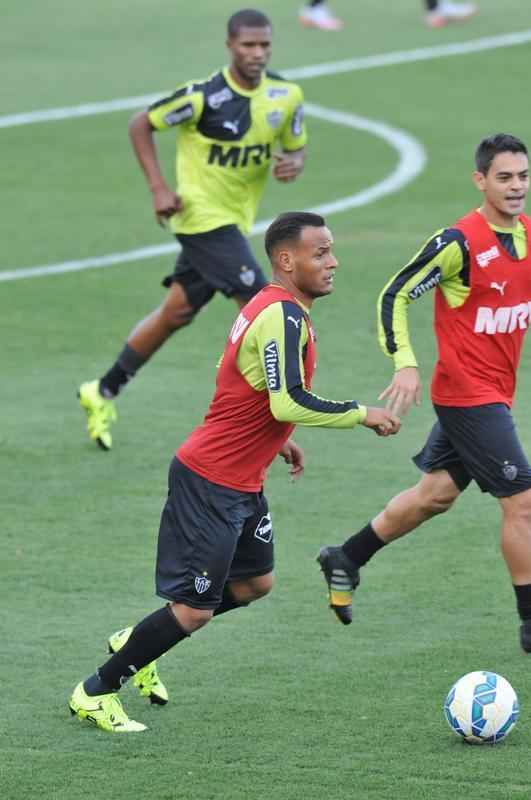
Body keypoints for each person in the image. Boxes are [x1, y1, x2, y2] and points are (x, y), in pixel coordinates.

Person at [69, 211, 401, 732]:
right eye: (321, 253)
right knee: (194, 610)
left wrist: (278, 444)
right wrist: (363, 414)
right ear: (286, 260)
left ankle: (141, 638)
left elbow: (244, 388)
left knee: (254, 583)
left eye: (332, 250)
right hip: (211, 482)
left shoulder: (273, 307)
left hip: (242, 479)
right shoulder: (282, 316)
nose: (334, 261)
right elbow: (288, 400)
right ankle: (95, 690)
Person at [317, 133, 531, 653]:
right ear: (480, 180)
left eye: (523, 176)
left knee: (435, 496)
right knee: (522, 503)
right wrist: (406, 364)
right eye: (504, 177)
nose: (516, 186)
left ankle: (346, 557)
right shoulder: (458, 243)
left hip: (495, 393)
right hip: (466, 396)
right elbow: (394, 293)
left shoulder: (527, 233)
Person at [78, 8, 307, 451]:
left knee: (176, 313)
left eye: (264, 45)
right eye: (248, 45)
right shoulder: (203, 97)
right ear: (229, 46)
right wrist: (159, 187)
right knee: (264, 307)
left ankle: (102, 390)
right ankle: (267, 423)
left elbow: (297, 149)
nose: (257, 53)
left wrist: (294, 163)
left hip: (233, 221)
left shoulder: (287, 95)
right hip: (201, 219)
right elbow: (140, 123)